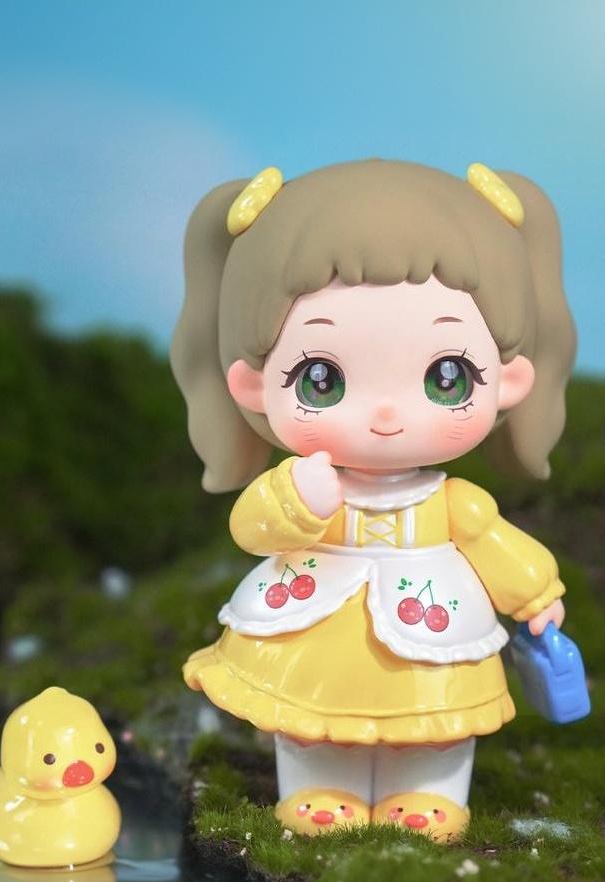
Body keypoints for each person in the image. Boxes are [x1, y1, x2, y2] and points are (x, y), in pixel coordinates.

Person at [171, 160, 576, 840]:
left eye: (447, 377)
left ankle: (427, 794)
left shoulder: (453, 504)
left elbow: (492, 542)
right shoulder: (305, 483)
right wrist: (295, 503)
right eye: (321, 379)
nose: (386, 415)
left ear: (508, 380)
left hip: (434, 632)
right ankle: (318, 787)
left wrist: (536, 594)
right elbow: (253, 527)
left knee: (436, 724)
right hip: (314, 628)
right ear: (252, 385)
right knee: (308, 720)